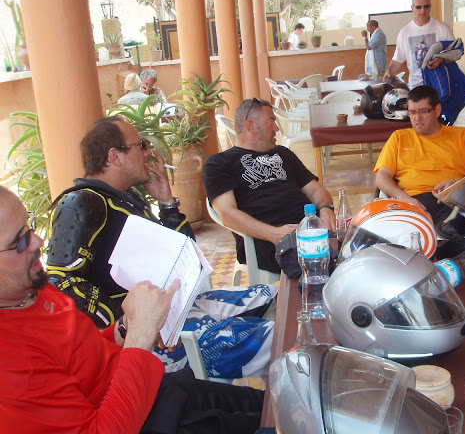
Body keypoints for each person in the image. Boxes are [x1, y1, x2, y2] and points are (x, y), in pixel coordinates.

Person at [0, 185, 264, 433]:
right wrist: (140, 336)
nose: (37, 242)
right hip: (139, 419)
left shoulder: (32, 289)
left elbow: (81, 356)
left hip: (153, 392)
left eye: (29, 227)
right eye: (20, 241)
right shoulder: (10, 363)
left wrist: (125, 328)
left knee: (272, 406)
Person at [47, 116, 277, 379]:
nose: (148, 153)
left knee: (274, 295)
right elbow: (61, 284)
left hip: (177, 310)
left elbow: (187, 257)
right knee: (273, 339)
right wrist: (133, 320)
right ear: (115, 156)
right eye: (141, 146)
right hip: (146, 339)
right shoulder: (80, 203)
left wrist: (167, 203)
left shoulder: (125, 200)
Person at [203, 98, 336, 274]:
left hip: (310, 231)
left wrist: (326, 208)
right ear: (251, 126)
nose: (276, 128)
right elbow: (227, 214)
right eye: (271, 122)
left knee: (359, 243)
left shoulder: (283, 154)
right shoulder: (219, 163)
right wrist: (274, 233)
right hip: (268, 242)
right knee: (322, 265)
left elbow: (314, 189)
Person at [374, 85, 465, 225]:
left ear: (437, 110)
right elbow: (382, 177)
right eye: (412, 112)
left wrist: (459, 185)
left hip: (454, 198)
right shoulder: (399, 137)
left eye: (423, 111)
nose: (417, 118)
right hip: (413, 200)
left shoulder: (462, 135)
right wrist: (406, 200)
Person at [383, 0, 455, 89]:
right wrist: (389, 70)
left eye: (426, 6)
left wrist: (441, 59)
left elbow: (455, 53)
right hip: (416, 86)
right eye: (418, 7)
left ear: (430, 6)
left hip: (439, 84)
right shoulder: (405, 32)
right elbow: (398, 58)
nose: (422, 10)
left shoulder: (442, 28)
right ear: (412, 8)